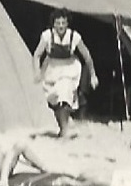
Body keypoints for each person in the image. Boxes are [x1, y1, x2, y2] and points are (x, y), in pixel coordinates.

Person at [33, 8, 99, 137]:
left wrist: (93, 75)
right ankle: (63, 126)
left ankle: (64, 130)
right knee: (54, 100)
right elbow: (37, 55)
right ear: (53, 24)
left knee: (64, 94)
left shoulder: (74, 36)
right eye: (58, 23)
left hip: (69, 70)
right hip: (51, 70)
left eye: (63, 23)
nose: (61, 26)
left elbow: (87, 56)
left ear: (67, 23)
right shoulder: (47, 36)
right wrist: (37, 71)